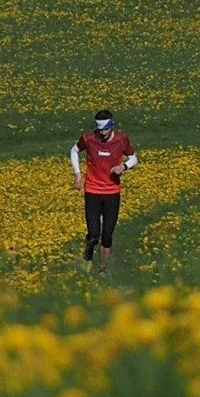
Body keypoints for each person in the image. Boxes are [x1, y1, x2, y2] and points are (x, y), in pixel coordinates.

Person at [70, 109, 137, 274]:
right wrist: (78, 174)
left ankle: (102, 271)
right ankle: (88, 254)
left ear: (112, 126)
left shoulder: (121, 139)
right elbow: (74, 151)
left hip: (112, 193)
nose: (102, 133)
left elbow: (134, 157)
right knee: (94, 234)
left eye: (105, 129)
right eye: (99, 129)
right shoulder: (89, 139)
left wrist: (124, 166)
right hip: (92, 191)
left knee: (107, 236)